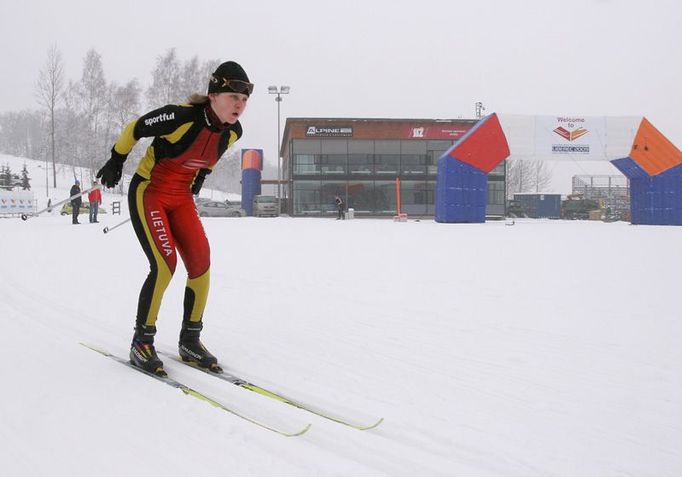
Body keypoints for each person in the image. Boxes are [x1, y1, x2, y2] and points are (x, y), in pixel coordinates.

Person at [96, 61, 252, 377]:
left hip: (180, 197)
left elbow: (210, 156)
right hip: (150, 192)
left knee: (201, 263)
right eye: (233, 96)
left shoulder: (233, 132)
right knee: (165, 265)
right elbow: (136, 127)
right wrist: (117, 157)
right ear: (213, 95)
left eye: (244, 99)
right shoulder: (181, 117)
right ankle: (142, 342)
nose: (240, 104)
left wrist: (200, 178)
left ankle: (190, 340)